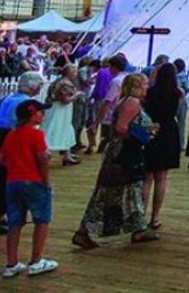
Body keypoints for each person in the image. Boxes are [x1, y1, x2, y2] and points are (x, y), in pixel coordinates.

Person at [72, 72, 160, 248]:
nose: (147, 88)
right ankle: (84, 231)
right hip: (125, 152)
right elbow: (121, 128)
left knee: (127, 190)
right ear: (135, 86)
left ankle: (138, 228)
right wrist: (142, 135)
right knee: (113, 191)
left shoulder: (125, 101)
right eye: (144, 85)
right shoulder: (132, 102)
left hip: (121, 151)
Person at [0, 99, 57, 278]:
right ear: (32, 115)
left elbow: (2, 159)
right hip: (34, 180)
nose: (43, 115)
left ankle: (12, 263)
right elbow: (42, 159)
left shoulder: (11, 135)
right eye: (40, 112)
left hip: (13, 182)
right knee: (42, 219)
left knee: (15, 223)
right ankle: (36, 260)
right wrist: (46, 182)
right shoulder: (36, 134)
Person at [0, 72, 47, 234]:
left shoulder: (7, 98)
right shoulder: (26, 104)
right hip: (10, 139)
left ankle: (1, 216)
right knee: (4, 180)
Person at [143, 62, 182, 230]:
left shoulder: (150, 92)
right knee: (161, 177)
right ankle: (155, 216)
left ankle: (140, 215)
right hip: (169, 130)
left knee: (147, 177)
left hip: (152, 129)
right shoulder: (177, 93)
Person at [42, 64, 80, 166]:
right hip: (59, 111)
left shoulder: (59, 81)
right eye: (74, 72)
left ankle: (67, 155)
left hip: (59, 110)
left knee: (64, 130)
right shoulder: (65, 83)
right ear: (69, 73)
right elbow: (65, 100)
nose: (76, 74)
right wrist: (76, 95)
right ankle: (45, 154)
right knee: (53, 130)